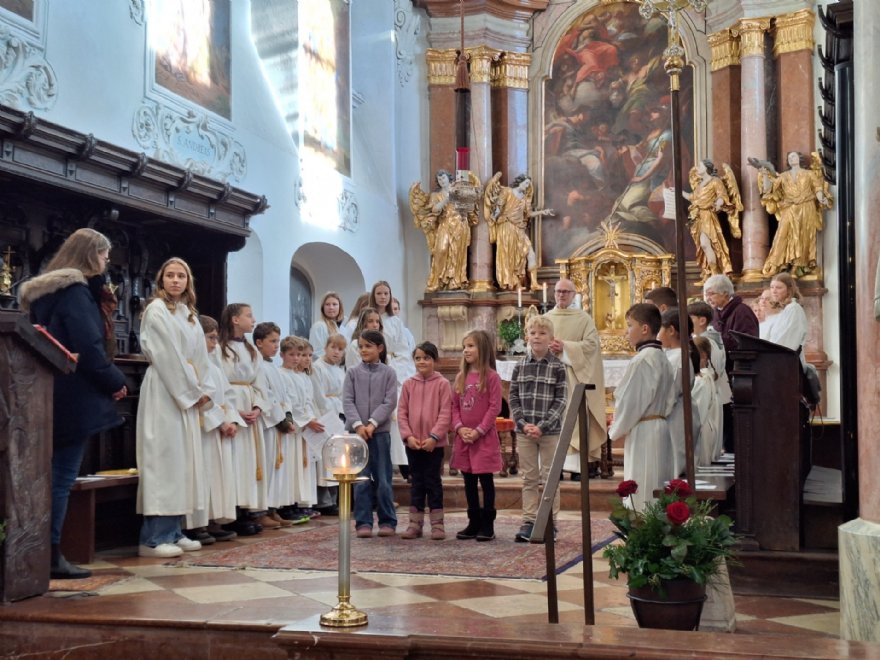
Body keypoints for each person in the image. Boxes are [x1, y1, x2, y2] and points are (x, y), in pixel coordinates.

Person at [19, 228, 127, 578]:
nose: (106, 262)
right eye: (104, 255)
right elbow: (89, 347)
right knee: (62, 477)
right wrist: (116, 381)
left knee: (42, 476)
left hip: (45, 392)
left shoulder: (43, 292)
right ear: (90, 255)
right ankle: (50, 555)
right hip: (74, 396)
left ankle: (34, 551)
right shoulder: (76, 292)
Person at [135, 257, 213, 558]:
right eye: (170, 275)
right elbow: (166, 355)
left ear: (188, 281)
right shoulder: (156, 310)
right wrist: (191, 391)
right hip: (166, 390)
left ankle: (175, 531)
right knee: (164, 460)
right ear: (161, 280)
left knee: (184, 462)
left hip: (187, 391)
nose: (176, 280)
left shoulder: (189, 314)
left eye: (181, 276)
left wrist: (204, 389)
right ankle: (153, 538)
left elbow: (200, 357)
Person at [608, 303, 675, 512]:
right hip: (660, 426)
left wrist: (615, 430)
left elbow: (631, 401)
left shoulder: (643, 360)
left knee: (643, 487)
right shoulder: (662, 357)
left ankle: (643, 527)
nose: (626, 332)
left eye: (630, 326)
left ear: (645, 328)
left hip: (645, 431)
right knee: (654, 485)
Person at [509, 316, 567, 543]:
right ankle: (529, 521)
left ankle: (549, 522)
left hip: (549, 431)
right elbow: (513, 398)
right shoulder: (520, 365)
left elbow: (561, 401)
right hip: (525, 431)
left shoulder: (557, 366)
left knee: (550, 477)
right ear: (527, 336)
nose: (537, 337)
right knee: (529, 478)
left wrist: (542, 426)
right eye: (533, 333)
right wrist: (523, 424)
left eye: (542, 333)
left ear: (551, 338)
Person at [544, 278, 606, 481]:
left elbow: (591, 345)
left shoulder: (583, 319)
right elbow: (533, 342)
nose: (561, 295)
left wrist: (565, 347)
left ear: (573, 295)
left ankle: (577, 467)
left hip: (574, 377)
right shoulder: (545, 319)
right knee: (552, 419)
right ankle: (554, 467)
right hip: (549, 378)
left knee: (574, 420)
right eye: (558, 291)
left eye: (566, 292)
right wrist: (547, 347)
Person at [218, 303, 270, 536]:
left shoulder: (252, 351)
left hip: (250, 406)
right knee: (234, 462)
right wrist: (234, 411)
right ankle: (233, 512)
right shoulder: (220, 349)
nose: (254, 319)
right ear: (235, 319)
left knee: (249, 461)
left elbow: (260, 382)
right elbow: (218, 383)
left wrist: (258, 407)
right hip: (232, 407)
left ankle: (249, 509)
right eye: (249, 315)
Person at [343, 329, 399, 538]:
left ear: (380, 348)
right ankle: (363, 522)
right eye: (361, 346)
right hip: (357, 434)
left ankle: (387, 521)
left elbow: (389, 402)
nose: (363, 350)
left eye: (368, 346)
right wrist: (358, 425)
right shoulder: (352, 373)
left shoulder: (388, 373)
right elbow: (347, 401)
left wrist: (373, 423)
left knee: (383, 479)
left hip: (380, 433)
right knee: (361, 480)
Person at [397, 341, 453, 540]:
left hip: (433, 445)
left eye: (426, 358)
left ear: (435, 361)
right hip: (413, 444)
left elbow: (445, 413)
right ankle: (415, 524)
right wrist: (408, 436)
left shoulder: (443, 384)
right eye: (418, 358)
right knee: (416, 482)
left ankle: (437, 524)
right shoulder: (408, 384)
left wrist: (434, 436)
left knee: (433, 482)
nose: (421, 362)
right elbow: (401, 413)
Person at [451, 329, 503, 542]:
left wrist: (479, 430)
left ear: (482, 349)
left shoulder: (492, 377)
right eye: (464, 346)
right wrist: (459, 428)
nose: (466, 350)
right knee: (469, 481)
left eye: (471, 346)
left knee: (486, 480)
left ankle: (487, 523)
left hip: (483, 438)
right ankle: (473, 521)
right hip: (464, 438)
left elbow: (494, 407)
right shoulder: (461, 377)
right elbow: (454, 406)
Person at [196, 315, 240, 542]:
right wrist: (220, 422)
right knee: (205, 476)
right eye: (210, 338)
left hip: (221, 427)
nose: (215, 343)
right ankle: (198, 523)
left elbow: (228, 396)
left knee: (219, 477)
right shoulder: (195, 366)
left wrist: (231, 420)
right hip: (205, 429)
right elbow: (200, 399)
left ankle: (215, 520)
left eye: (215, 338)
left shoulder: (214, 367)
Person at [703, 274, 758, 453]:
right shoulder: (716, 313)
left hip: (738, 372)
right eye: (706, 294)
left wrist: (717, 341)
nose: (708, 298)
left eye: (711, 294)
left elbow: (747, 342)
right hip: (722, 373)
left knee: (734, 421)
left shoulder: (742, 312)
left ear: (725, 293)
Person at [757, 151, 832, 277]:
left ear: (799, 158)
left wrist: (821, 199)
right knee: (782, 234)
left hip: (806, 206)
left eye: (794, 156)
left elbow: (818, 188)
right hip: (789, 208)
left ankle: (798, 266)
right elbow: (769, 189)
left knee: (803, 236)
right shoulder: (783, 176)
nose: (791, 158)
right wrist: (765, 175)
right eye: (789, 157)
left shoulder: (809, 174)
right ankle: (775, 264)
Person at [369, 281, 413, 476]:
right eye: (379, 293)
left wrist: (392, 365)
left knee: (396, 418)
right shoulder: (369, 318)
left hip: (394, 369)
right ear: (373, 295)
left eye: (386, 293)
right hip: (374, 372)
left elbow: (403, 350)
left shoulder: (395, 321)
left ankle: (404, 465)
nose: (383, 297)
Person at [254, 322, 295, 528]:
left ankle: (272, 508)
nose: (276, 345)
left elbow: (283, 396)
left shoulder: (272, 366)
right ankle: (260, 511)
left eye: (278, 341)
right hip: (267, 423)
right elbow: (266, 395)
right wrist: (281, 420)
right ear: (259, 342)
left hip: (278, 422)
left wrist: (288, 417)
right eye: (272, 341)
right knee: (266, 466)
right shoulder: (258, 364)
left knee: (275, 469)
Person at [409, 170, 478, 291]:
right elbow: (435, 209)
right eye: (439, 179)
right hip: (445, 224)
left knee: (457, 253)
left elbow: (469, 207)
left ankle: (455, 281)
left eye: (443, 178)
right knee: (441, 250)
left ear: (449, 178)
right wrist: (446, 199)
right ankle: (438, 281)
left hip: (460, 224)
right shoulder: (435, 195)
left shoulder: (459, 190)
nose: (442, 181)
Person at [483, 173, 553, 291]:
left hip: (519, 229)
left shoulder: (525, 198)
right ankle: (514, 283)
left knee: (530, 253)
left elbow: (528, 214)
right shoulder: (507, 192)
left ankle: (534, 283)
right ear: (520, 182)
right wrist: (493, 219)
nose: (527, 186)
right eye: (526, 183)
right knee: (509, 256)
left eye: (528, 184)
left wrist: (542, 212)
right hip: (507, 226)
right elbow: (498, 208)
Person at [683, 159, 742, 281]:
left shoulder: (715, 181)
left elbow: (722, 195)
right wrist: (679, 192)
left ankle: (715, 274)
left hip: (708, 216)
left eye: (700, 166)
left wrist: (719, 203)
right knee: (703, 246)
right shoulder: (699, 184)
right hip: (697, 217)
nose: (697, 168)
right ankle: (711, 272)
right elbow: (692, 198)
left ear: (706, 168)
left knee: (709, 244)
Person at [658, 308, 700, 478]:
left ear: (671, 330)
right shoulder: (673, 354)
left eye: (660, 329)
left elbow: (670, 395)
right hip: (678, 412)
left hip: (675, 416)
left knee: (675, 466)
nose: (658, 335)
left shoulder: (678, 358)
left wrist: (657, 415)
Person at [310, 333, 347, 515]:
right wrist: (329, 417)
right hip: (324, 415)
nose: (336, 352)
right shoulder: (317, 367)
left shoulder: (339, 370)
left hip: (338, 413)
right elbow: (318, 395)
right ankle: (324, 501)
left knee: (336, 459)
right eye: (333, 347)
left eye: (340, 349)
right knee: (324, 459)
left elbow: (343, 393)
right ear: (325, 348)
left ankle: (334, 498)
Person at [691, 335, 721, 466]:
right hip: (704, 428)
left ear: (703, 356)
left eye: (692, 354)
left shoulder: (702, 380)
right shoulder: (705, 376)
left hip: (700, 431)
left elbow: (697, 413)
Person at [763, 273, 808, 360]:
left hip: (786, 361)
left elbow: (785, 342)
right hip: (778, 358)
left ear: (789, 290)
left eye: (778, 288)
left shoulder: (793, 309)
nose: (774, 291)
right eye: (772, 287)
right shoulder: (784, 310)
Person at [308, 292, 345, 358]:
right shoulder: (319, 326)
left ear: (340, 307)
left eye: (334, 304)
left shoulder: (342, 328)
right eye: (327, 304)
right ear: (323, 308)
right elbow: (316, 353)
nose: (331, 307)